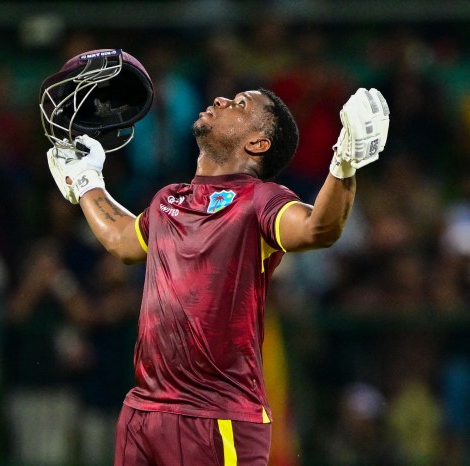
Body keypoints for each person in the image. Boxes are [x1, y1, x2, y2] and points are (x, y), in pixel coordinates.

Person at [46, 86, 389, 465]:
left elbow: (316, 229)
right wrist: (87, 183)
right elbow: (124, 241)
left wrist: (344, 164)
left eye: (241, 105)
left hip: (217, 417)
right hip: (143, 411)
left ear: (257, 144)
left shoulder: (261, 200)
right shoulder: (167, 200)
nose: (223, 101)